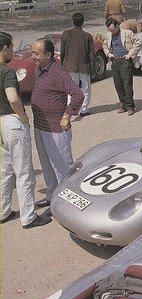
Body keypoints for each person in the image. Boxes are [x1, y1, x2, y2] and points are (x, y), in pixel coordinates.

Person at [0, 32, 51, 229]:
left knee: (5, 171)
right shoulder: (7, 72)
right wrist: (23, 116)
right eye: (11, 48)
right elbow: (13, 98)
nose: (12, 51)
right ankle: (28, 216)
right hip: (12, 122)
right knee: (23, 171)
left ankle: (3, 211)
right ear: (4, 49)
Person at [31, 38, 84, 208]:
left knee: (62, 167)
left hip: (55, 129)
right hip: (40, 126)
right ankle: (53, 195)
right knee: (47, 165)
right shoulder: (39, 69)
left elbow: (78, 95)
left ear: (48, 54)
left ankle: (67, 203)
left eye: (36, 53)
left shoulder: (59, 73)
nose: (33, 57)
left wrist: (67, 115)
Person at [103, 18, 141, 115]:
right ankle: (123, 104)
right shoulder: (108, 35)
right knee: (118, 84)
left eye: (112, 29)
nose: (111, 32)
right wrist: (108, 54)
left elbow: (138, 42)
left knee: (127, 84)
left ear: (117, 26)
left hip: (125, 60)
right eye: (109, 30)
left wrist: (130, 54)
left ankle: (130, 106)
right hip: (115, 61)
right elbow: (105, 46)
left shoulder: (127, 33)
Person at [61, 12, 95, 117]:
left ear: (72, 21)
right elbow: (91, 54)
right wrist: (92, 68)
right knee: (85, 88)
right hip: (84, 66)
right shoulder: (87, 36)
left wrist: (63, 64)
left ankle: (71, 109)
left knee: (71, 89)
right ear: (83, 22)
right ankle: (83, 109)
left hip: (69, 65)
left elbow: (62, 52)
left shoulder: (65, 34)